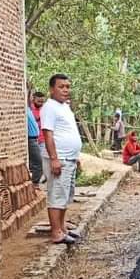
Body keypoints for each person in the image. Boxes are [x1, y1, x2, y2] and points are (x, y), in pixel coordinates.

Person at [41, 74, 83, 245]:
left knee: (65, 195)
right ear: (52, 89)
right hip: (60, 158)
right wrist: (54, 159)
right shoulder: (49, 107)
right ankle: (56, 232)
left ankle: (62, 227)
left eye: (67, 86)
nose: (65, 90)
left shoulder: (64, 107)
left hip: (69, 158)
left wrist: (76, 156)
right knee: (57, 195)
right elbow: (48, 134)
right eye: (61, 87)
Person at [30, 90, 47, 183]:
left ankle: (42, 178)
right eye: (38, 101)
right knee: (37, 161)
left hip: (43, 138)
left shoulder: (44, 109)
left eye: (42, 101)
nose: (40, 103)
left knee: (43, 160)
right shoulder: (29, 110)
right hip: (34, 139)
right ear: (33, 99)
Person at [26, 93, 43, 184]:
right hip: (31, 139)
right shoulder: (28, 109)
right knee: (38, 164)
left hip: (36, 139)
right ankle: (34, 185)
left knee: (36, 164)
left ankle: (35, 184)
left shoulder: (28, 109)